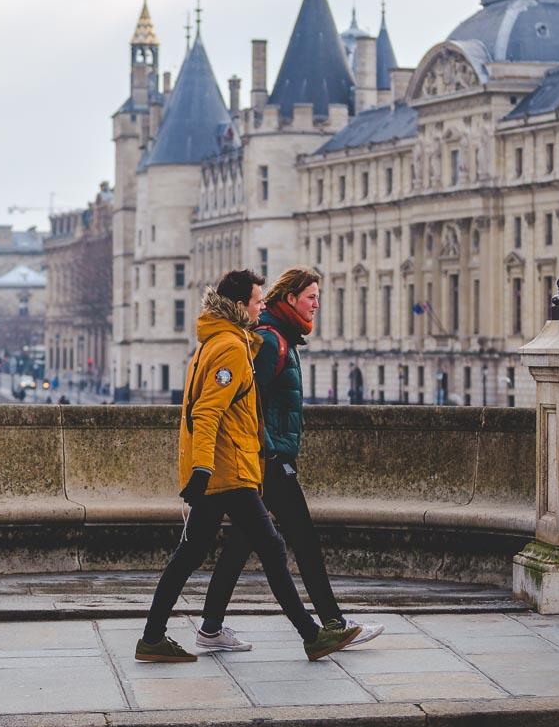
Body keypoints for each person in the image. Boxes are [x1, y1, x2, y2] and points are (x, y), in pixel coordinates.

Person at [136, 269, 365, 663]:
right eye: (259, 301)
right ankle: (313, 635)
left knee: (189, 556)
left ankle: (154, 637)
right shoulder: (229, 347)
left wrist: (199, 470)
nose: (263, 307)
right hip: (229, 471)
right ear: (241, 307)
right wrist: (203, 471)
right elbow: (207, 412)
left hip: (223, 469)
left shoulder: (214, 341)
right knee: (274, 548)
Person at [195, 267, 384, 653]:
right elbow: (248, 404)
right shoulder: (270, 341)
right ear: (290, 298)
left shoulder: (282, 338)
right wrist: (269, 452)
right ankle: (332, 622)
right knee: (303, 539)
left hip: (267, 458)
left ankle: (211, 627)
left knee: (241, 544)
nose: (317, 304)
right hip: (269, 460)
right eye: (311, 296)